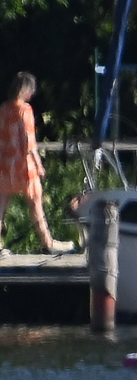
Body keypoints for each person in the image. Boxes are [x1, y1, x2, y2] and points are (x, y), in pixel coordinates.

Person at [2, 72, 72, 253]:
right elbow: (29, 142)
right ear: (25, 89)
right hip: (24, 165)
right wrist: (39, 165)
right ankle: (48, 242)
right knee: (35, 204)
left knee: (1, 206)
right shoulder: (25, 110)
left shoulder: (3, 109)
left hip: (5, 164)